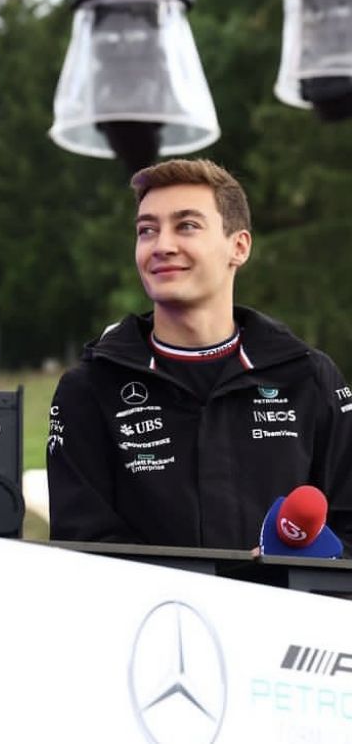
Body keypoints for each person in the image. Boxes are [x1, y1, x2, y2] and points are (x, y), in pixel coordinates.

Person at [47, 158, 352, 549]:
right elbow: (82, 549)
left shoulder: (310, 378)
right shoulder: (90, 388)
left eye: (186, 226)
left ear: (238, 247)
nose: (162, 246)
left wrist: (288, 571)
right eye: (147, 230)